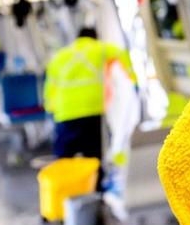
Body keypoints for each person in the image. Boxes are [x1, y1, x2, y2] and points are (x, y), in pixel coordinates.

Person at [43, 27, 135, 163]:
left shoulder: (60, 56)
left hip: (65, 112)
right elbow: (121, 53)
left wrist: (50, 107)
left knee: (64, 156)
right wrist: (132, 78)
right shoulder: (100, 48)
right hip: (92, 109)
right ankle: (95, 182)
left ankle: (66, 182)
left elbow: (50, 86)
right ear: (95, 37)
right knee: (93, 154)